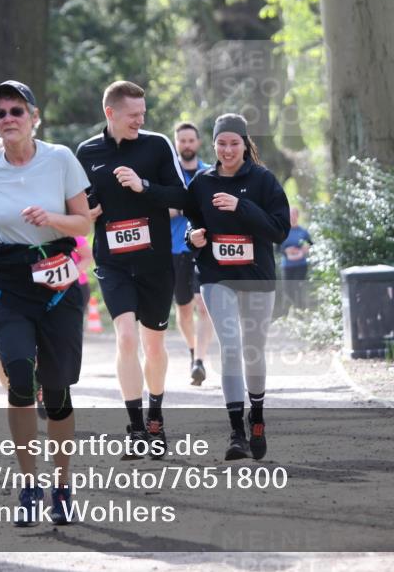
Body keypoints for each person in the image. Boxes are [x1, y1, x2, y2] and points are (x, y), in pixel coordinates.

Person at [0, 80, 92, 526]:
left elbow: (83, 223)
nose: (8, 119)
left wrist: (51, 218)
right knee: (18, 374)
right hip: (8, 281)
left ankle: (63, 485)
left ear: (34, 117)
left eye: (16, 111)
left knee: (56, 392)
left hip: (57, 280)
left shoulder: (60, 159)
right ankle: (29, 484)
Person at [75, 80, 187, 459]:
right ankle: (136, 427)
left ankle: (156, 416)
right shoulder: (87, 152)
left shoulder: (157, 146)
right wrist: (86, 211)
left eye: (144, 114)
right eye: (133, 115)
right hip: (113, 262)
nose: (141, 120)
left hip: (156, 260)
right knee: (125, 338)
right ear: (110, 113)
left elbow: (181, 195)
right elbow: (79, 204)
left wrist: (144, 186)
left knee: (152, 347)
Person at [185, 113, 290, 461]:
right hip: (217, 277)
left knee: (253, 349)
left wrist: (241, 206)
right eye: (221, 143)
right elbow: (192, 227)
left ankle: (256, 416)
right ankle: (235, 432)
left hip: (257, 277)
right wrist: (193, 238)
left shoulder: (263, 180)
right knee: (230, 346)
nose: (228, 149)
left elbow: (278, 231)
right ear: (213, 145)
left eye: (234, 143)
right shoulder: (201, 183)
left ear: (245, 144)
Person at [169, 122, 213, 385]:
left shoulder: (208, 173)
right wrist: (182, 208)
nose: (187, 145)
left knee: (204, 307)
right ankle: (192, 350)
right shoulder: (168, 176)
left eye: (190, 140)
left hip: (202, 249)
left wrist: (183, 207)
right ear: (177, 144)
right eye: (182, 140)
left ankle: (200, 361)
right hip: (174, 250)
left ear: (197, 143)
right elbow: (160, 210)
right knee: (184, 310)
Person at [278, 206, 313, 313]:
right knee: (288, 290)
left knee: (299, 288)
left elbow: (310, 245)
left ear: (297, 216)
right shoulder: (282, 231)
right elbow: (277, 249)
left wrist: (303, 249)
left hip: (301, 265)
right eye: (290, 214)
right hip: (287, 266)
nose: (292, 217)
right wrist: (287, 250)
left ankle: (300, 313)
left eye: (294, 214)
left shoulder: (303, 232)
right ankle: (286, 315)